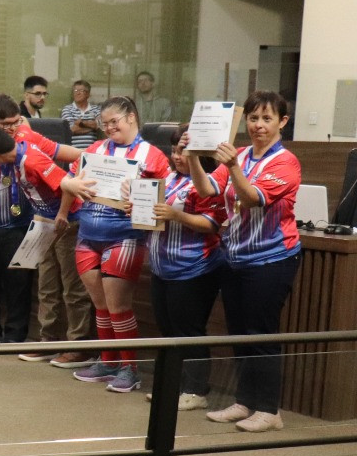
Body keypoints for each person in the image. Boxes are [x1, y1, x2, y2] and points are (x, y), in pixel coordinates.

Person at [190, 91, 302, 432]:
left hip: (271, 259)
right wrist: (194, 155)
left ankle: (269, 410)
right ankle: (245, 401)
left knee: (261, 334)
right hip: (235, 258)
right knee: (238, 333)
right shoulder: (239, 154)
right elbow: (207, 190)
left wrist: (233, 166)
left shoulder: (286, 162)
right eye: (253, 118)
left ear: (282, 122)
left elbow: (252, 198)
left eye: (267, 119)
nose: (258, 125)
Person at [0, 124, 93, 346]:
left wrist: (62, 212)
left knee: (71, 290)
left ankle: (76, 345)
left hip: (66, 223)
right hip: (44, 221)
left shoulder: (30, 159)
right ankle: (46, 341)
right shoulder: (15, 154)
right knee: (47, 287)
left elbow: (67, 184)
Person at [68, 96, 171, 394]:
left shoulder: (152, 155)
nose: (110, 127)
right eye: (105, 123)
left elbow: (163, 196)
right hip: (88, 234)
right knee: (100, 305)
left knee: (118, 306)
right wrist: (73, 191)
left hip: (125, 236)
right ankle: (108, 360)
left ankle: (130, 368)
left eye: (115, 121)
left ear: (132, 118)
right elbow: (73, 179)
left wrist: (138, 201)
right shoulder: (94, 150)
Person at [147, 124, 225, 411]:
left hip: (194, 267)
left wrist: (176, 216)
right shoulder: (167, 178)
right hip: (161, 266)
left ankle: (196, 390)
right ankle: (173, 387)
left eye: (182, 150)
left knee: (189, 330)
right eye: (173, 149)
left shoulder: (207, 182)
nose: (176, 156)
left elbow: (211, 224)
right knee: (167, 329)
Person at [62, 79, 101, 151]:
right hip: (73, 151)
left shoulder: (96, 109)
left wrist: (81, 123)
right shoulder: (67, 109)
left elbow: (100, 126)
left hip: (91, 151)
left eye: (81, 91)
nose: (77, 93)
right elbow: (71, 130)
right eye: (75, 91)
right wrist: (92, 127)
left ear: (88, 94)